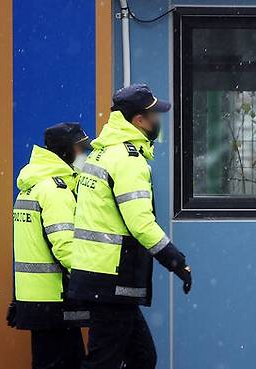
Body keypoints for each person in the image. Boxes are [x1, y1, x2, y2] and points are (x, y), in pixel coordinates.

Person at [68, 84, 193, 369]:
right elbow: (140, 222)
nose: (158, 121)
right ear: (139, 120)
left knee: (141, 357)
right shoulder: (128, 160)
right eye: (154, 115)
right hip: (112, 278)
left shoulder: (101, 154)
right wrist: (176, 260)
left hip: (97, 276)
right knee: (106, 361)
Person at [8, 122, 91, 369]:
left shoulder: (32, 185)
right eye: (80, 148)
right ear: (65, 151)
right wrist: (91, 280)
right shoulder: (56, 190)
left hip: (34, 296)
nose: (84, 154)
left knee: (50, 360)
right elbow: (65, 246)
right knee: (65, 361)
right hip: (54, 296)